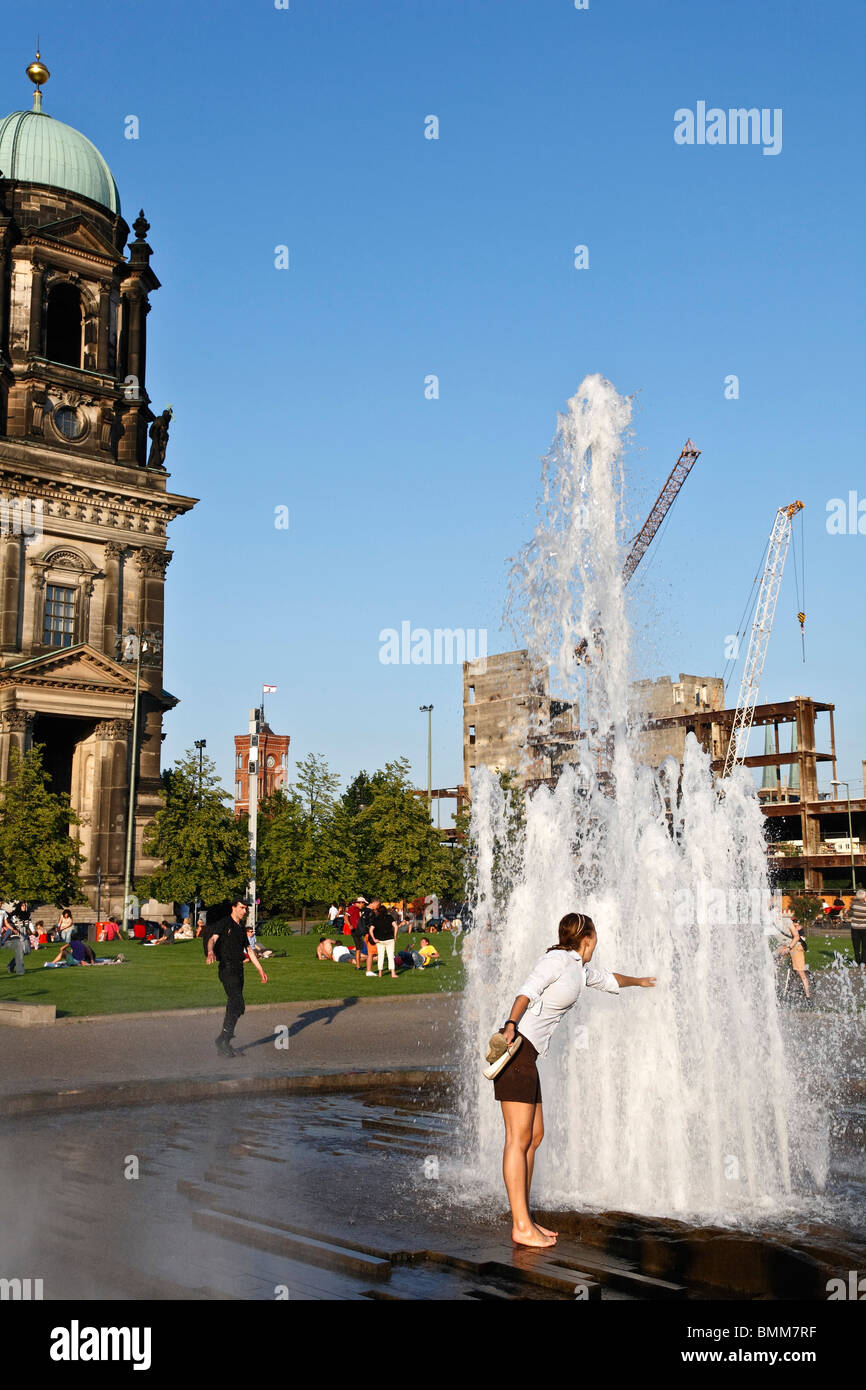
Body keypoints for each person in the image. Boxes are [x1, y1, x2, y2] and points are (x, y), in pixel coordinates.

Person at [491, 911, 655, 1249]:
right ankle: (520, 1225)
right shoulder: (556, 960)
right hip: (517, 1053)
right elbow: (527, 990)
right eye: (595, 939)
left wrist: (639, 981)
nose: (597, 944)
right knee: (517, 1139)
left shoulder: (578, 969)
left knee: (534, 1136)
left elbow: (610, 978)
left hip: (529, 1058)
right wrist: (510, 1024)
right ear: (587, 938)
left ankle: (526, 1216)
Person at [206, 897, 268, 1057]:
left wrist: (260, 969)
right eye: (242, 907)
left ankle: (224, 1041)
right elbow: (212, 939)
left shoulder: (241, 928)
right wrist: (211, 951)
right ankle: (223, 1040)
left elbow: (249, 949)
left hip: (239, 969)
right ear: (234, 908)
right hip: (227, 969)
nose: (244, 910)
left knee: (237, 1007)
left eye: (246, 908)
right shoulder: (225, 923)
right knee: (236, 1001)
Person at [776, 915, 810, 1000]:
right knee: (775, 960)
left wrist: (789, 947)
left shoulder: (797, 927)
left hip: (797, 946)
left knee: (800, 972)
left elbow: (797, 937)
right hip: (787, 944)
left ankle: (808, 997)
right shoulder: (781, 923)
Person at [369, 899, 397, 979]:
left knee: (380, 956)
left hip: (379, 940)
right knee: (390, 956)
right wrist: (395, 935)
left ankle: (380, 973)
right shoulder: (389, 917)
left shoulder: (376, 919)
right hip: (389, 939)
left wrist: (374, 939)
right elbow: (395, 926)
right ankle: (393, 973)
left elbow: (371, 930)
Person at [848, 888, 866, 965]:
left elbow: (850, 913)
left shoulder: (854, 904)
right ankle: (863, 961)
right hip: (864, 928)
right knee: (864, 946)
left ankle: (857, 961)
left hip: (854, 928)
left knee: (856, 946)